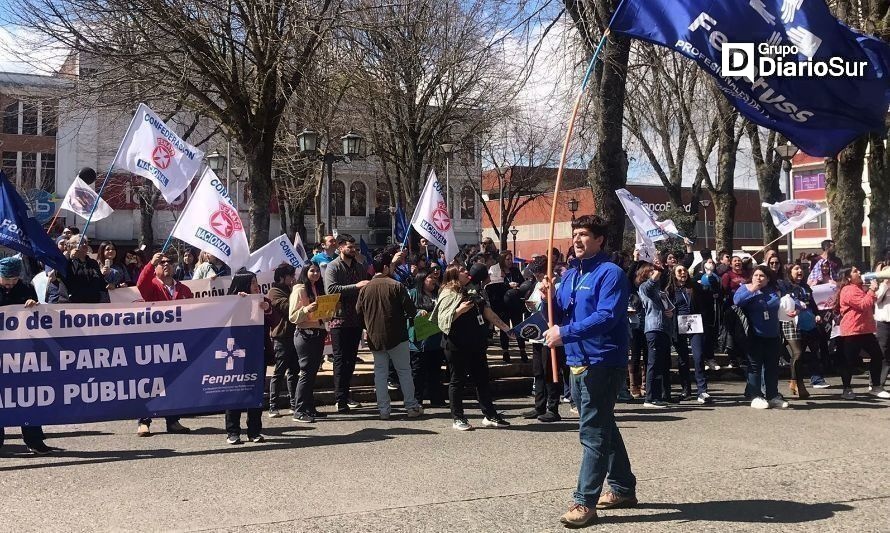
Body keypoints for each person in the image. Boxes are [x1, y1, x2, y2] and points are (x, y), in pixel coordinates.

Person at [538, 215, 636, 528]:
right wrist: (547, 297)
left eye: (584, 234)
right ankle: (622, 488)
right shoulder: (568, 274)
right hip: (576, 361)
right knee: (603, 424)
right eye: (575, 234)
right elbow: (556, 314)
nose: (577, 240)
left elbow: (607, 317)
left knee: (593, 432)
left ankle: (584, 502)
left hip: (603, 362)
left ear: (600, 240)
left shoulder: (611, 273)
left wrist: (565, 334)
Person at [430, 264, 512, 430]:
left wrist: (506, 328)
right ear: (453, 275)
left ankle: (490, 415)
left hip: (476, 342)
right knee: (457, 381)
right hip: (456, 344)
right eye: (461, 271)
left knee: (482, 379)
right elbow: (442, 320)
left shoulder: (473, 291)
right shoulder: (448, 293)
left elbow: (487, 312)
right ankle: (458, 418)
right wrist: (459, 310)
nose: (467, 272)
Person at [356, 252, 423, 419]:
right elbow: (410, 310)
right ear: (386, 267)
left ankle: (384, 410)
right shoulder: (396, 285)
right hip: (397, 335)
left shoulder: (365, 289)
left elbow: (358, 313)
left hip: (374, 336)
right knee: (404, 371)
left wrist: (368, 326)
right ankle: (411, 406)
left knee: (380, 374)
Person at [134, 252, 193, 436]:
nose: (166, 264)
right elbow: (140, 285)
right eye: (162, 262)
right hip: (154, 342)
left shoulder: (184, 289)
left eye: (169, 261)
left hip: (176, 343)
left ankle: (173, 420)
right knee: (150, 382)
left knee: (174, 382)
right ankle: (144, 421)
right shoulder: (152, 286)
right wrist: (151, 263)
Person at [0, 257, 54, 455]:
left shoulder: (25, 289)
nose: (10, 283)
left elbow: (37, 317)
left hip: (22, 352)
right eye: (6, 279)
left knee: (27, 396)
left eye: (14, 279)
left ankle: (34, 439)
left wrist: (34, 305)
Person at [224, 270, 273, 444]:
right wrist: (237, 303)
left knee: (255, 391)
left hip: (257, 352)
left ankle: (254, 430)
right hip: (236, 354)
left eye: (256, 282)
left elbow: (272, 317)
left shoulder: (261, 300)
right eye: (253, 282)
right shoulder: (231, 302)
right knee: (235, 391)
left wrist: (266, 308)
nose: (256, 286)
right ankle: (233, 431)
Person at [323, 234, 371, 413]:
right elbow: (331, 290)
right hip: (339, 321)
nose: (353, 250)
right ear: (340, 248)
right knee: (340, 360)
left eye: (354, 247)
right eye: (349, 247)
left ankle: (347, 394)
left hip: (356, 320)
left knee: (351, 360)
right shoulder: (333, 267)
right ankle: (339, 398)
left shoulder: (360, 267)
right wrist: (357, 287)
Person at [734, 265, 788, 409]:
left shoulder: (773, 291)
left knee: (772, 367)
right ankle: (755, 395)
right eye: (756, 275)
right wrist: (753, 289)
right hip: (754, 334)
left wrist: (795, 309)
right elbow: (737, 301)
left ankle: (772, 395)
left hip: (773, 334)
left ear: (768, 278)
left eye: (762, 276)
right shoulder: (745, 288)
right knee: (755, 367)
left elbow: (787, 302)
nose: (759, 278)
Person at [835, 267, 890, 400]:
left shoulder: (859, 288)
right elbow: (863, 304)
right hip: (852, 330)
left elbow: (871, 301)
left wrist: (874, 289)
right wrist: (871, 290)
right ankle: (846, 389)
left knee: (878, 355)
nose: (859, 273)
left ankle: (876, 386)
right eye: (855, 271)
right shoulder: (848, 290)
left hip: (865, 330)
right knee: (849, 361)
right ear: (848, 277)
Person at [521, 258, 562, 422]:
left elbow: (556, 306)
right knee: (538, 371)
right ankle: (539, 406)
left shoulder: (558, 284)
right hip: (537, 333)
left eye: (540, 273)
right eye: (535, 273)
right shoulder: (537, 284)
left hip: (550, 333)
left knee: (550, 371)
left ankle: (553, 407)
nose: (537, 276)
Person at [289, 263, 330, 422]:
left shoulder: (318, 289)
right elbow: (293, 317)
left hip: (318, 333)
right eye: (312, 271)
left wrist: (328, 312)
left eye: (318, 271)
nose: (316, 273)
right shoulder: (299, 290)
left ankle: (309, 407)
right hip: (305, 334)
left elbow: (321, 315)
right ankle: (299, 410)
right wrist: (307, 309)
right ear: (305, 272)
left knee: (312, 373)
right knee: (306, 372)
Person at [667, 265, 713, 404]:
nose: (683, 273)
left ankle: (702, 390)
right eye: (679, 271)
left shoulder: (695, 287)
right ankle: (686, 390)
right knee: (682, 359)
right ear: (674, 275)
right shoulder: (670, 290)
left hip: (695, 324)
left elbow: (709, 295)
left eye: (685, 270)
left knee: (698, 357)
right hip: (678, 325)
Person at [783, 264, 823, 399]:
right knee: (798, 353)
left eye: (801, 269)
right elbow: (782, 303)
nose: (800, 271)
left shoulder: (806, 287)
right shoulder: (784, 286)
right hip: (791, 322)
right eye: (796, 269)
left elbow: (812, 304)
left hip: (808, 323)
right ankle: (798, 383)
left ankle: (795, 381)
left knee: (805, 354)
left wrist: (817, 314)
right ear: (789, 272)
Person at [408, 269, 446, 407]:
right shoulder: (413, 294)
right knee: (418, 373)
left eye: (435, 277)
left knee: (435, 372)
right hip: (420, 341)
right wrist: (418, 312)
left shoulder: (438, 294)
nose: (434, 280)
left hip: (435, 340)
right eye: (430, 277)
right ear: (422, 279)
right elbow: (406, 311)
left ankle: (437, 399)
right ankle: (417, 400)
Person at [637, 264, 673, 408]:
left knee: (661, 364)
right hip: (654, 328)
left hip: (664, 329)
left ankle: (657, 396)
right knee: (653, 363)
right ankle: (650, 398)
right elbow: (650, 284)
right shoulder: (645, 288)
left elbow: (668, 307)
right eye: (651, 272)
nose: (656, 275)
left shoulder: (659, 291)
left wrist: (670, 312)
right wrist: (658, 270)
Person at [267, 263, 299, 418]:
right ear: (281, 277)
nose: (293, 279)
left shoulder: (290, 290)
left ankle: (294, 403)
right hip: (281, 335)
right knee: (279, 371)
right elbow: (288, 307)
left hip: (295, 334)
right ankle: (273, 405)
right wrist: (295, 292)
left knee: (294, 370)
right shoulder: (274, 292)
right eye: (290, 276)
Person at [60, 236, 109, 303]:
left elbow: (100, 283)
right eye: (81, 242)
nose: (85, 244)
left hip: (92, 303)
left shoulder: (93, 263)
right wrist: (70, 258)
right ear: (72, 246)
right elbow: (59, 274)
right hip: (73, 303)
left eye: (86, 242)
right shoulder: (67, 260)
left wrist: (110, 285)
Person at [875, 265, 890, 388]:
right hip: (883, 323)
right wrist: (885, 284)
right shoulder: (879, 287)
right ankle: (876, 382)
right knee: (882, 353)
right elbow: (877, 300)